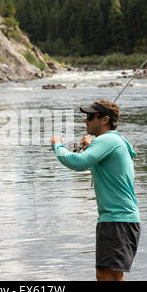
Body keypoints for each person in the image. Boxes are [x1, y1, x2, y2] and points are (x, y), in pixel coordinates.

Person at [50, 100, 140, 281]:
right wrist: (92, 145)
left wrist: (57, 146)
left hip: (117, 220)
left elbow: (78, 162)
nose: (86, 121)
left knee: (105, 276)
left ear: (106, 119)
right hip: (119, 220)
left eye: (91, 117)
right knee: (112, 276)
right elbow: (93, 156)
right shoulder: (113, 141)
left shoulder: (109, 140)